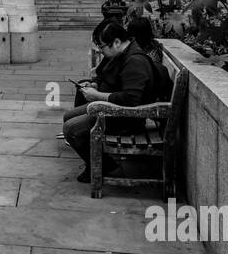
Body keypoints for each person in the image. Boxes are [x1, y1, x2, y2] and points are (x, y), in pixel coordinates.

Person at [60, 19, 159, 183]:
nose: (100, 50)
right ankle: (96, 159)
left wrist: (97, 96)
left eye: (102, 46)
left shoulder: (135, 61)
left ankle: (104, 166)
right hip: (112, 109)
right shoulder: (121, 53)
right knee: (68, 117)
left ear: (117, 42)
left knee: (71, 129)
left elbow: (130, 99)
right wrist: (94, 85)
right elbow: (109, 78)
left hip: (127, 118)